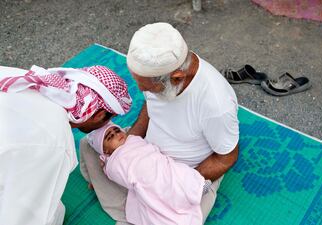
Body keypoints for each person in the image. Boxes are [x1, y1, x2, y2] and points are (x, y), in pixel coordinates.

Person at [80, 22, 239, 224]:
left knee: (173, 215)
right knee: (90, 144)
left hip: (181, 171)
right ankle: (120, 185)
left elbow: (227, 157)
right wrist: (129, 146)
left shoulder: (217, 105)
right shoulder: (159, 76)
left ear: (176, 77)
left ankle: (119, 195)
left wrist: (174, 186)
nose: (141, 89)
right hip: (143, 153)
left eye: (147, 87)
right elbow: (150, 106)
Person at [0, 65, 132, 225]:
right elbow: (22, 217)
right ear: (98, 115)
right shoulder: (57, 143)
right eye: (107, 119)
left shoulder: (23, 77)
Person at [87, 122, 213, 225]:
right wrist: (105, 168)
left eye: (117, 130)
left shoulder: (133, 139)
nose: (116, 134)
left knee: (177, 172)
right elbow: (115, 174)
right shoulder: (113, 163)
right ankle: (187, 196)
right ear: (106, 151)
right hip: (143, 177)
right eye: (110, 137)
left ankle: (195, 188)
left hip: (157, 164)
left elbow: (147, 146)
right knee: (156, 194)